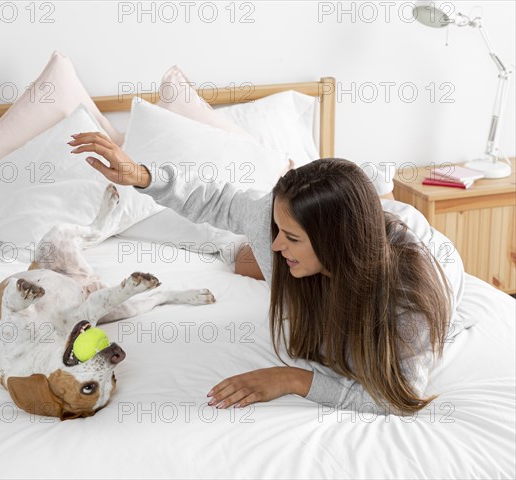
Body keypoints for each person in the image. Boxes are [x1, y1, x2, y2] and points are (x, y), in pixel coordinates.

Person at [69, 131, 465, 416]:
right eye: (276, 231)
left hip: (429, 257)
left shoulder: (409, 298)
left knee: (250, 260)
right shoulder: (272, 221)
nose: (275, 245)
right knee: (244, 257)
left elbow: (398, 398)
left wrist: (293, 379)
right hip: (360, 236)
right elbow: (216, 200)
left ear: (335, 242)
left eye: (291, 237)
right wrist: (142, 176)